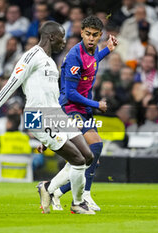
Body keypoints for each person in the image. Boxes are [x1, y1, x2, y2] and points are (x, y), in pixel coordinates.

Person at [0, 21, 96, 215]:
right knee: (77, 160)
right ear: (51, 36)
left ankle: (48, 188)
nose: (64, 42)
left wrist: (50, 137)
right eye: (62, 37)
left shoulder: (51, 62)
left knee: (87, 156)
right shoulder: (31, 56)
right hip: (37, 115)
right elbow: (12, 82)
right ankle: (77, 203)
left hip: (55, 114)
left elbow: (52, 97)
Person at [50, 16, 118, 212]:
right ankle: (83, 195)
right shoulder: (73, 56)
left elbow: (93, 61)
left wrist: (107, 50)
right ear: (81, 33)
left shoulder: (94, 50)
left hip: (84, 108)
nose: (91, 38)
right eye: (87, 34)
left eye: (95, 35)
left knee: (88, 156)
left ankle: (56, 191)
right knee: (94, 147)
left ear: (100, 36)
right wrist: (96, 104)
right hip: (70, 108)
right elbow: (70, 93)